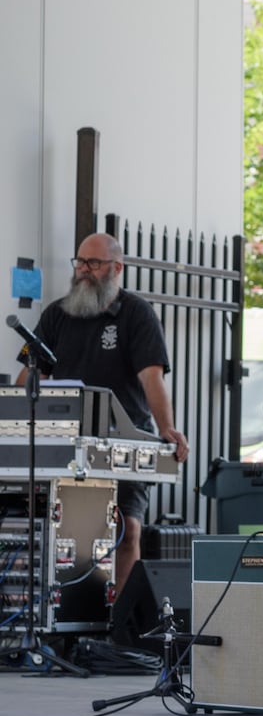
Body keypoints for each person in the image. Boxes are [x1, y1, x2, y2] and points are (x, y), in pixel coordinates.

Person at [15, 233, 190, 595]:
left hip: (121, 442)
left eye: (93, 264)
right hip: (61, 444)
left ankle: (118, 626)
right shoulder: (56, 315)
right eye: (79, 262)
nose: (83, 271)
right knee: (53, 529)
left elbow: (151, 377)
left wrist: (167, 428)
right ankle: (58, 616)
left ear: (116, 268)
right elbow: (27, 378)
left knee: (127, 527)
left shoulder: (136, 315)